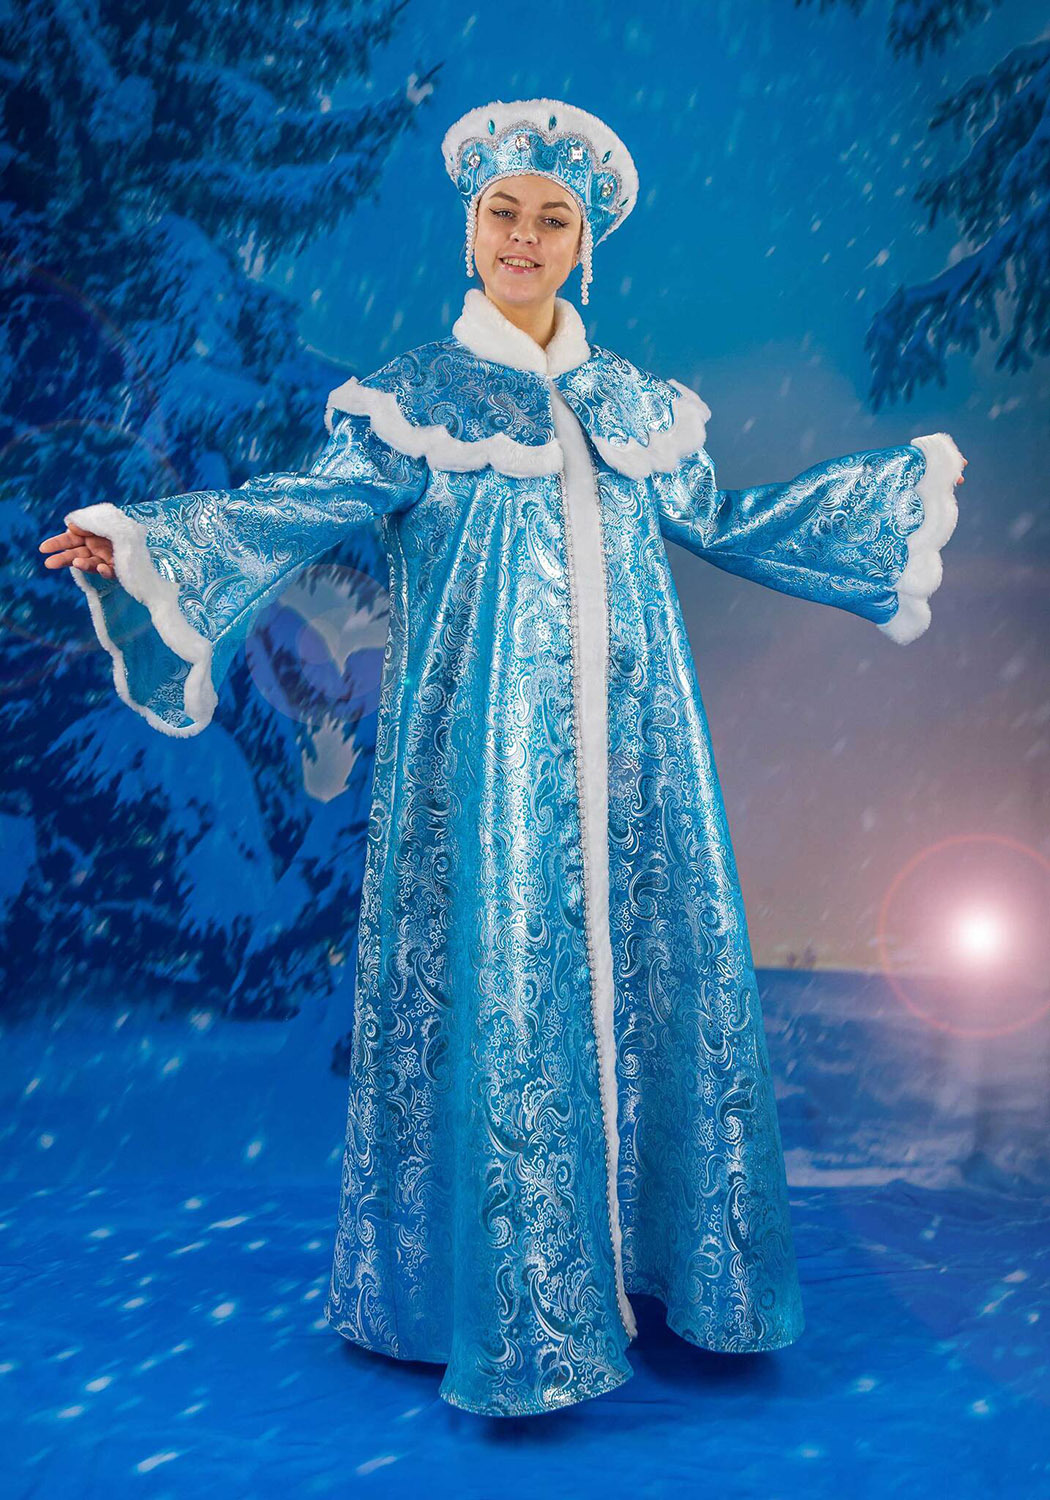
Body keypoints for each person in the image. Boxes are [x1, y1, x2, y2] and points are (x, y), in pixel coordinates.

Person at [39, 97, 968, 1417]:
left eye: (552, 220)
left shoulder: (637, 406)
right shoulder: (416, 400)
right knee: (505, 997)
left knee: (650, 986)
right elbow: (295, 508)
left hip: (639, 760)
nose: (524, 238)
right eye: (503, 214)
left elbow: (728, 519)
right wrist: (145, 540)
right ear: (470, 232)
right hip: (487, 768)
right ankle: (509, 1308)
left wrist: (888, 506)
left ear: (583, 247)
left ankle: (664, 1272)